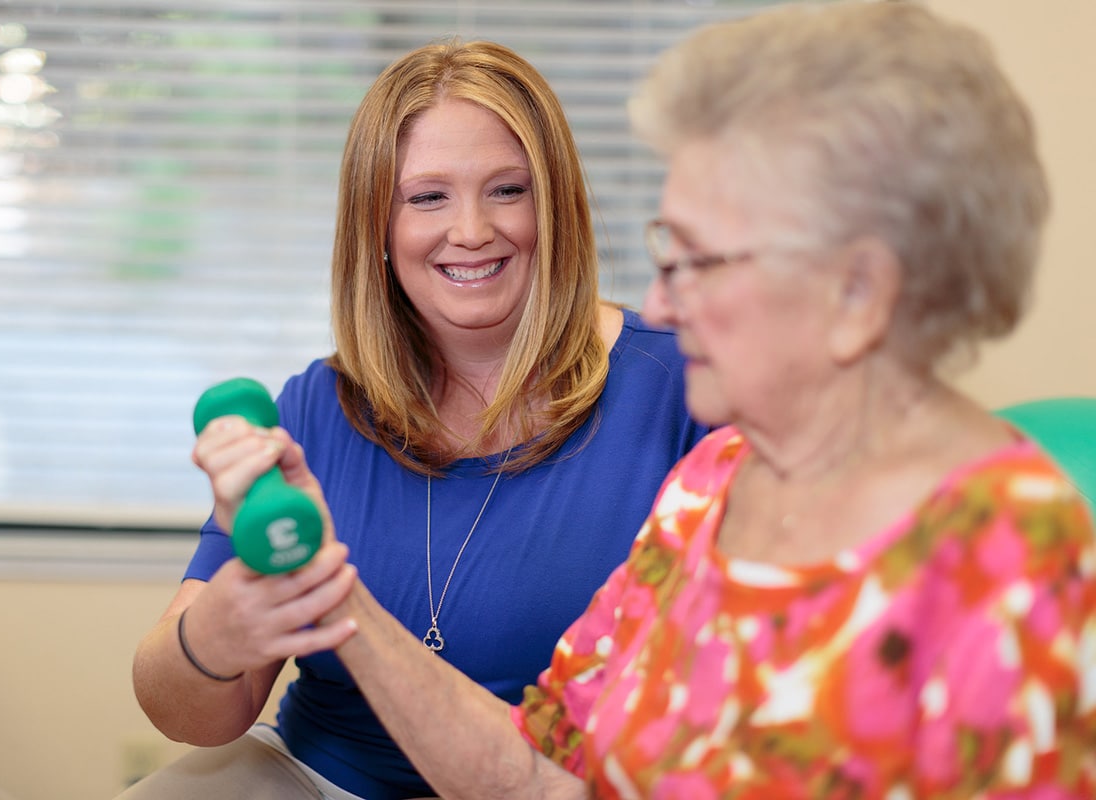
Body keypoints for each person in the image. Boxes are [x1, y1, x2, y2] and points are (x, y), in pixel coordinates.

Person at [209, 3, 1096, 798]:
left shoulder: (1012, 555)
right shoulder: (712, 484)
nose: (659, 306)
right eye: (664, 251)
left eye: (699, 261)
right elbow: (537, 777)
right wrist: (332, 590)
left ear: (858, 292)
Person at [122, 38, 709, 800]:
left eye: (508, 190)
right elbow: (191, 715)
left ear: (556, 206)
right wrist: (217, 634)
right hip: (315, 773)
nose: (471, 231)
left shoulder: (681, 393)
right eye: (427, 197)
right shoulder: (318, 407)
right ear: (378, 227)